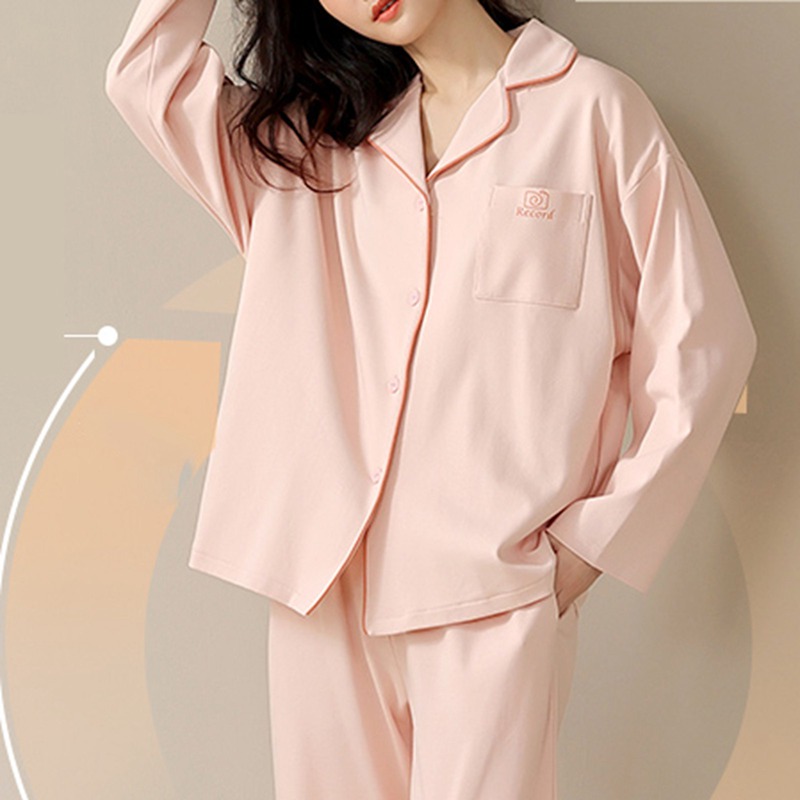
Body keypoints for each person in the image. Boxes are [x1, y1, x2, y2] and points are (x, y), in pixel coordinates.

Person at [104, 0, 758, 797]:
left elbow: (704, 345)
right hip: (321, 586)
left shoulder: (594, 111)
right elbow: (147, 77)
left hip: (490, 589)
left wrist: (590, 547)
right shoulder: (306, 150)